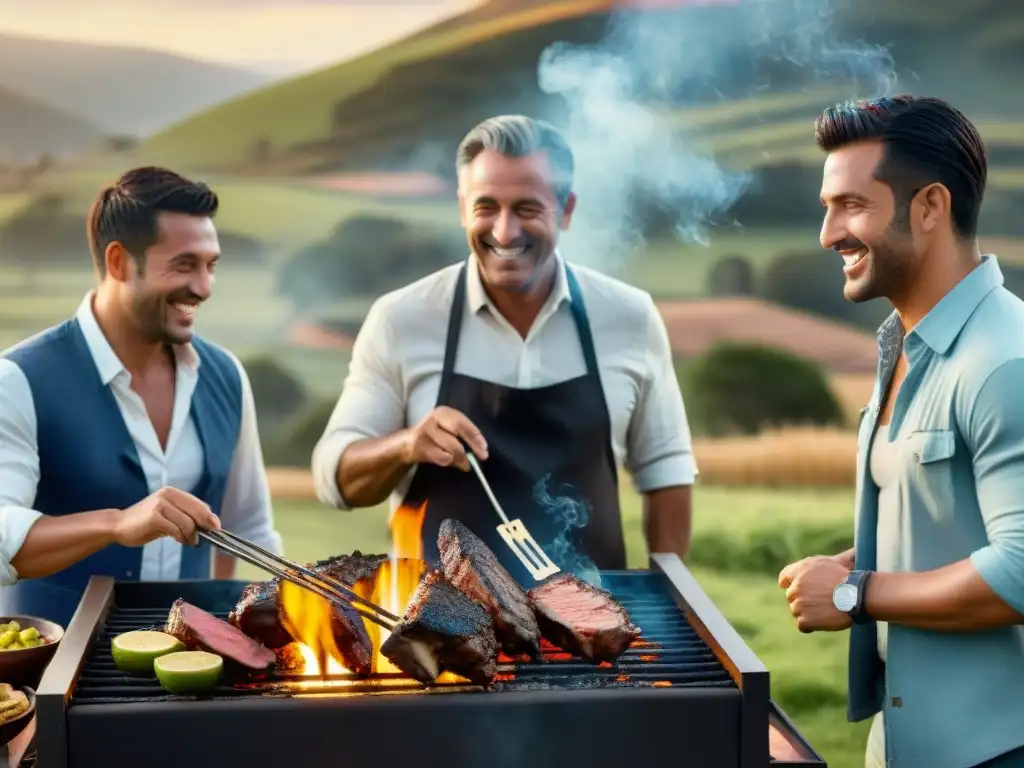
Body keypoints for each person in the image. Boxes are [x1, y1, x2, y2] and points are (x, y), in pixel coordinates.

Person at [312, 114, 696, 583]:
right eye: (486, 207)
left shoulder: (628, 317)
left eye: (527, 208)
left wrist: (671, 598)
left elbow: (666, 471)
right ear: (462, 208)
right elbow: (335, 479)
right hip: (441, 632)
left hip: (591, 628)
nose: (505, 231)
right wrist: (407, 445)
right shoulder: (401, 319)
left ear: (567, 209)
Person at [778, 95, 1024, 768]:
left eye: (852, 205)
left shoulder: (1006, 361)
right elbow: (952, 519)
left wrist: (858, 594)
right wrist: (858, 563)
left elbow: (1023, 569)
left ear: (929, 207)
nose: (829, 233)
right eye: (827, 207)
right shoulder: (907, 350)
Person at [0, 166, 283, 626]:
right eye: (184, 264)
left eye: (210, 265)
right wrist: (116, 523)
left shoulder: (226, 374)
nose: (204, 287)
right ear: (118, 262)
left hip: (191, 672)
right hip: (56, 674)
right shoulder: (17, 379)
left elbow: (249, 530)